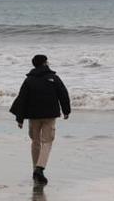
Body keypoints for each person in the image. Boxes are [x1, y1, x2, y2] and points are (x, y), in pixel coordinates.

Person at [9, 54, 70, 185]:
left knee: (35, 142)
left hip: (33, 116)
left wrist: (20, 118)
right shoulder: (53, 78)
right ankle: (40, 168)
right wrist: (66, 111)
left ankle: (35, 170)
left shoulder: (29, 80)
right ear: (44, 63)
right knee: (47, 142)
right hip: (50, 115)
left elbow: (22, 99)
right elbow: (63, 94)